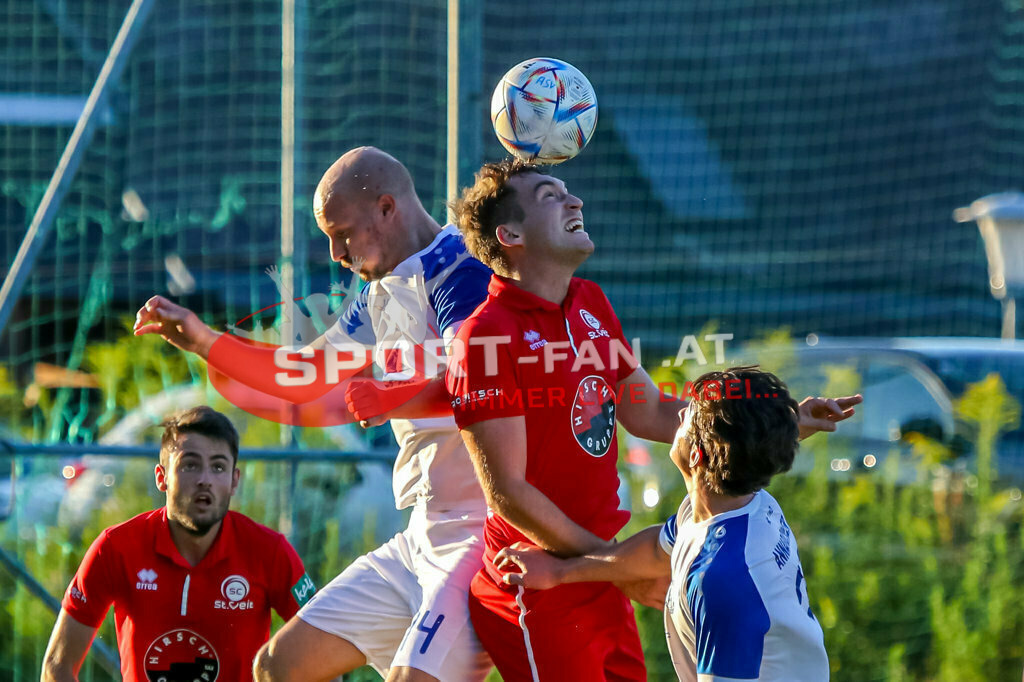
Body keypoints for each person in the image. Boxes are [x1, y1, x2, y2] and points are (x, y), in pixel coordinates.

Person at [445, 158, 860, 681]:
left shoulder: (589, 302)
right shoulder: (483, 337)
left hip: (596, 566)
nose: (574, 201)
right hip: (539, 580)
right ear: (509, 235)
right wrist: (608, 568)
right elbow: (507, 492)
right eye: (550, 195)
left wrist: (771, 425)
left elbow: (653, 411)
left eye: (568, 191)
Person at [133, 147, 494, 682]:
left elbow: (485, 384)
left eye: (342, 232)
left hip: (477, 537)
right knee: (279, 666)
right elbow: (302, 376)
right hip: (419, 535)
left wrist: (396, 397)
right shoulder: (380, 291)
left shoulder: (463, 269)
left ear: (388, 209)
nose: (333, 253)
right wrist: (204, 341)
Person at [495, 368, 832, 682]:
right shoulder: (735, 505)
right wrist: (560, 572)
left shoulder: (723, 580)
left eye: (690, 414)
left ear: (697, 457)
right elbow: (659, 550)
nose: (681, 413)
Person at [40, 406, 314, 682]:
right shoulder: (116, 547)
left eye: (218, 466)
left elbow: (323, 651)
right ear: (162, 478)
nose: (205, 479)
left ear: (234, 480)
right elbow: (56, 667)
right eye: (190, 465)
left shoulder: (269, 551)